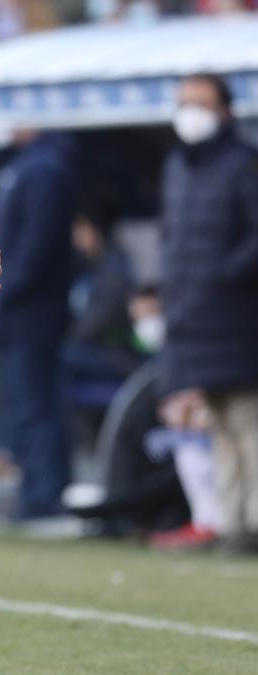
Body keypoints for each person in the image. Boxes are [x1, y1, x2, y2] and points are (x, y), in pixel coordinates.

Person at [160, 74, 258, 555]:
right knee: (218, 426)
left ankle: (252, 523)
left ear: (225, 110)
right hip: (195, 321)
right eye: (183, 103)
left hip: (238, 320)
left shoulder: (245, 164)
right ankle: (233, 522)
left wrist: (222, 276)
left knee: (248, 422)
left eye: (199, 103)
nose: (189, 113)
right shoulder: (179, 166)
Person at [0, 129, 77, 520]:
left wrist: (4, 289)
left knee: (39, 406)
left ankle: (46, 497)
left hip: (33, 314)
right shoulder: (23, 167)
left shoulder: (45, 169)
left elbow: (37, 245)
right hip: (17, 311)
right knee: (24, 406)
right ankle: (35, 493)